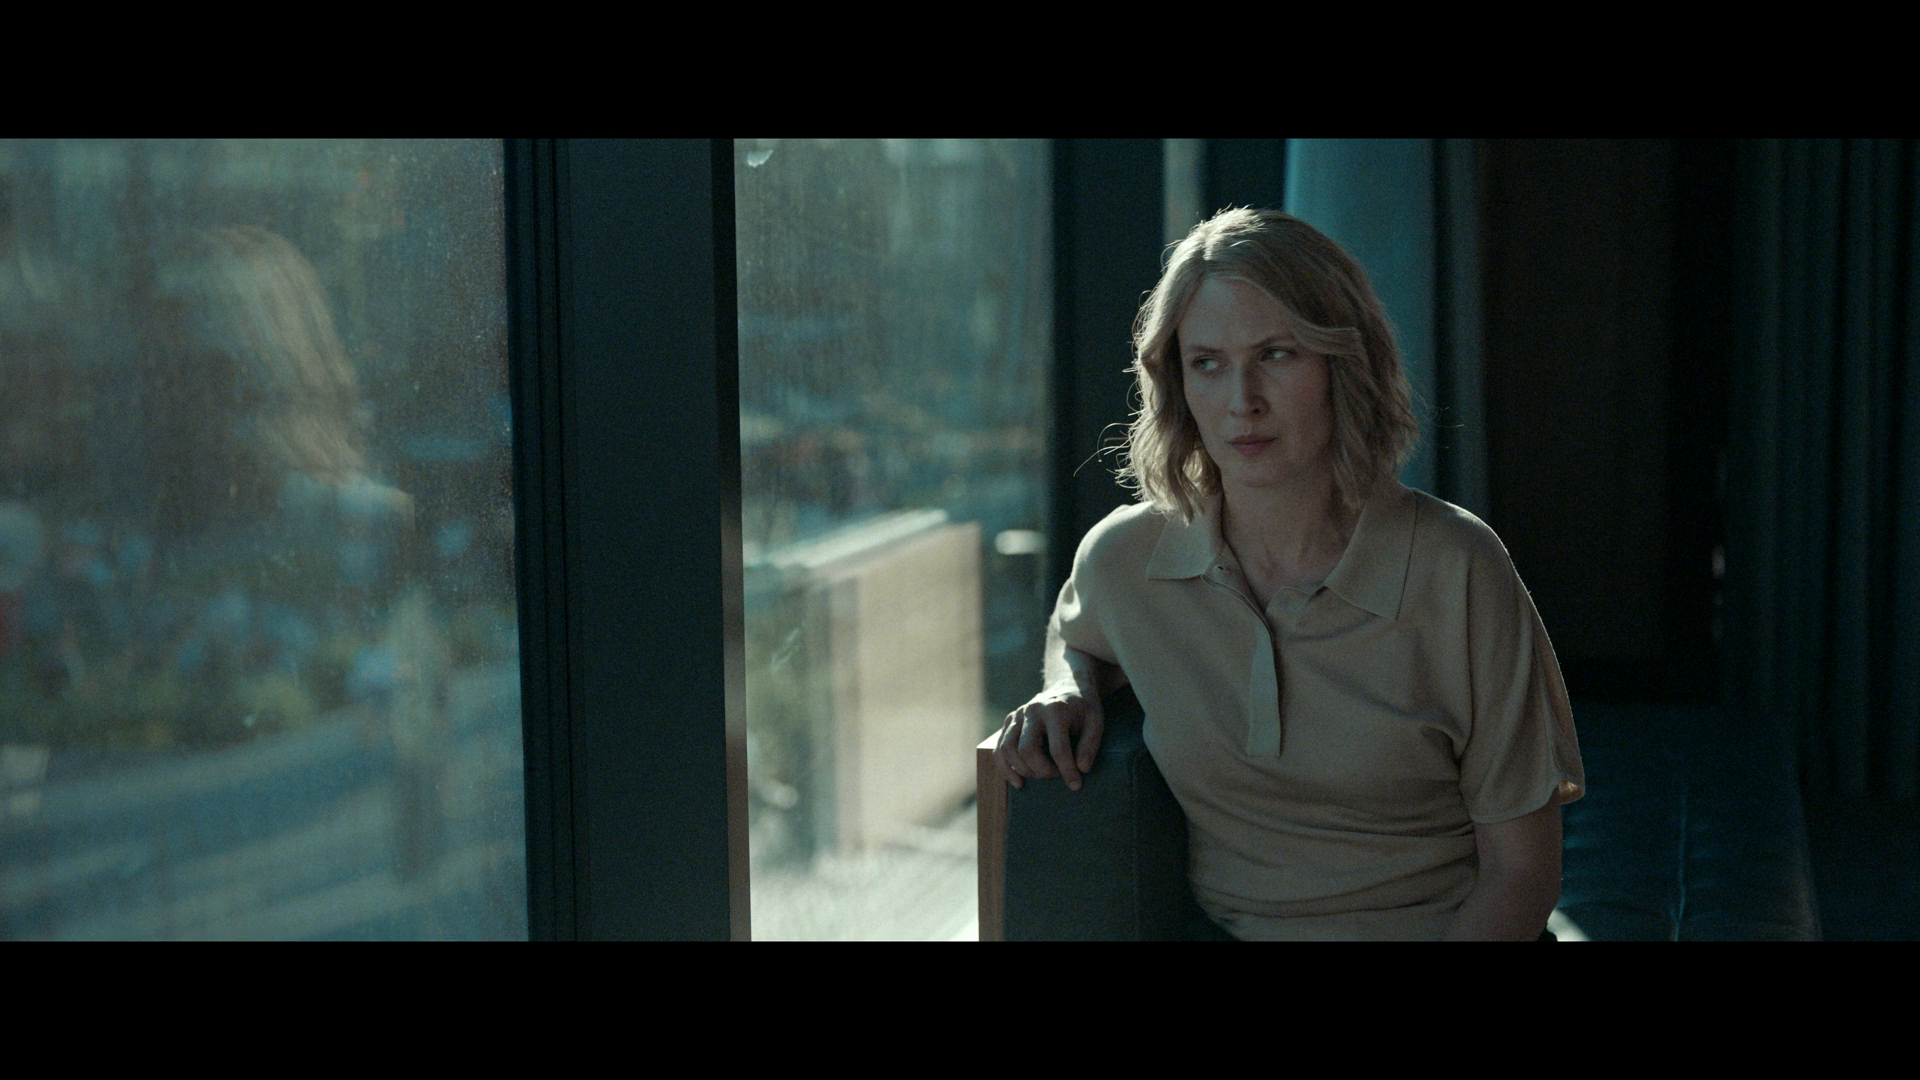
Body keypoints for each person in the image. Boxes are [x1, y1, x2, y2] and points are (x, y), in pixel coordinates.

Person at [993, 208, 1584, 941]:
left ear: (1344, 364)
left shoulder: (1460, 567)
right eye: (1207, 363)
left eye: (1276, 354)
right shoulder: (1127, 558)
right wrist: (1067, 687)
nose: (1242, 400)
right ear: (1177, 384)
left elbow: (1522, 875)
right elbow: (1077, 634)